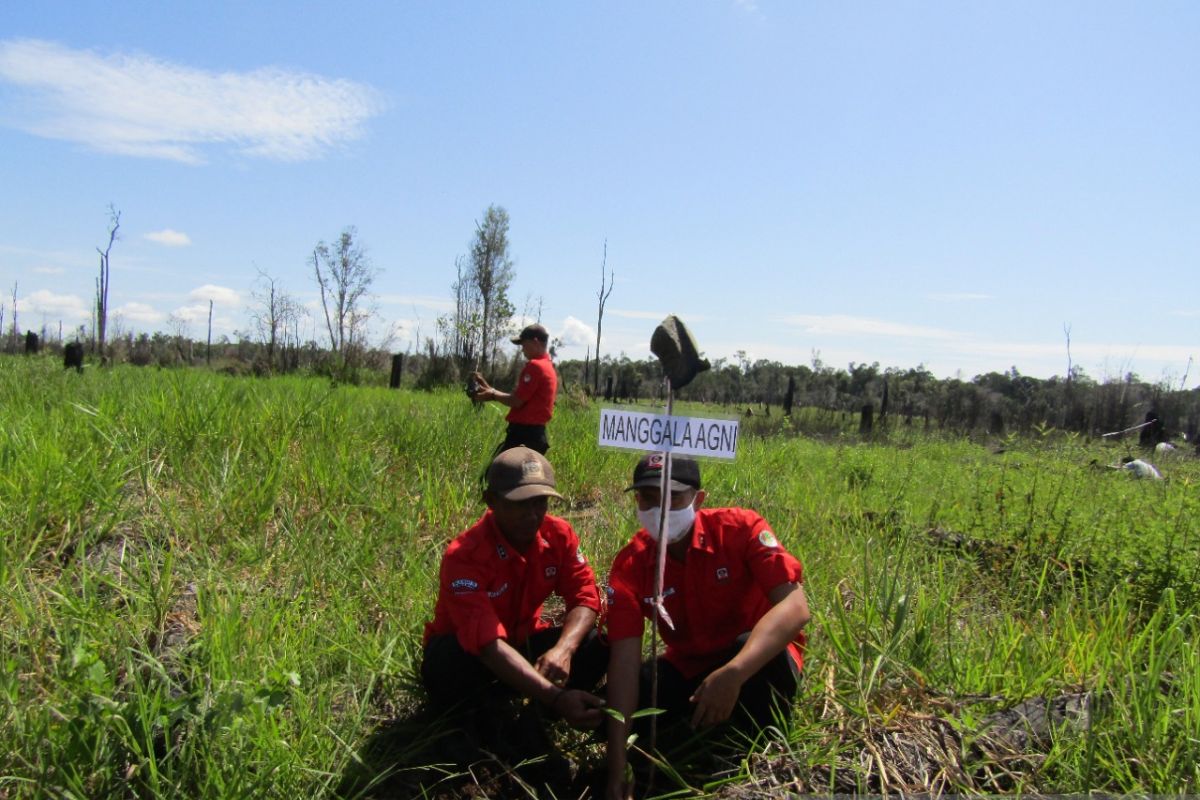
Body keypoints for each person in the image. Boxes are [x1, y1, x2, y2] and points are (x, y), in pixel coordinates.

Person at [602, 453, 811, 799]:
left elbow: (795, 606)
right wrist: (615, 764)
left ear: (698, 500)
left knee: (758, 660)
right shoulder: (632, 564)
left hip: (755, 660)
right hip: (692, 665)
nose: (660, 509)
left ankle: (743, 758)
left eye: (673, 498)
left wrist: (734, 673)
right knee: (631, 693)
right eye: (648, 499)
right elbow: (623, 660)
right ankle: (659, 753)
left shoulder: (740, 529)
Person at [422, 446, 606, 770]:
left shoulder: (558, 535)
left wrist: (563, 648)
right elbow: (487, 645)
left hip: (522, 647)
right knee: (446, 661)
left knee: (596, 642)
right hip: (473, 660)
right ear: (491, 502)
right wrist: (557, 696)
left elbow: (585, 595)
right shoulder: (465, 555)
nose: (532, 514)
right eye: (519, 503)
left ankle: (536, 718)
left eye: (541, 502)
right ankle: (470, 720)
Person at [471, 323, 558, 455]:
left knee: (490, 474)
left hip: (522, 436)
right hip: (537, 436)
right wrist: (487, 387)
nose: (522, 350)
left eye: (524, 345)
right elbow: (523, 398)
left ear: (535, 342)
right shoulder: (548, 366)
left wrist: (492, 394)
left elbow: (516, 401)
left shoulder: (535, 366)